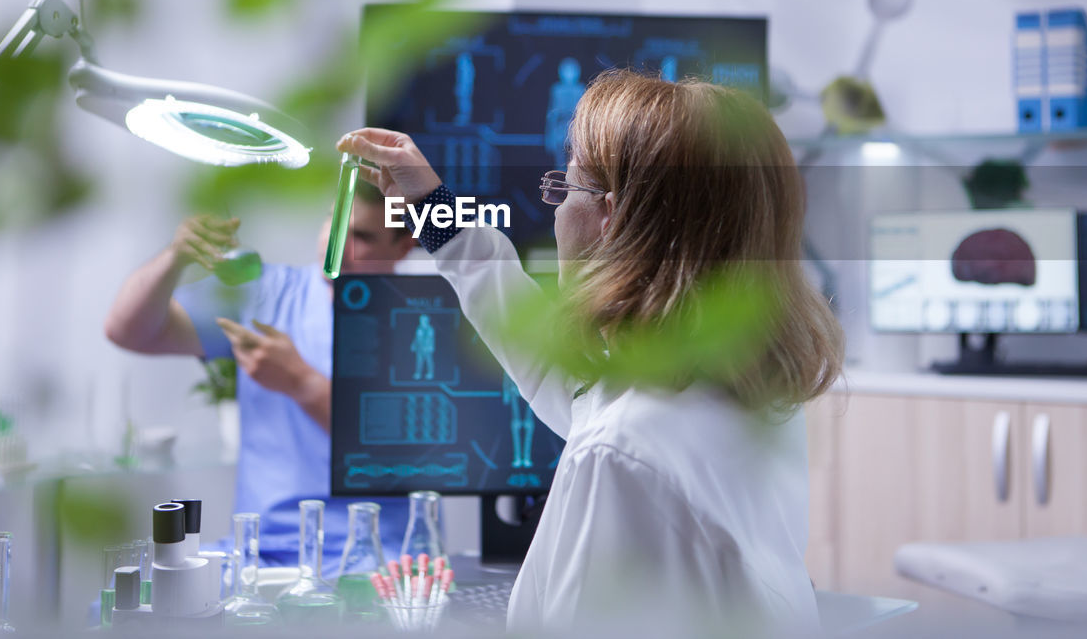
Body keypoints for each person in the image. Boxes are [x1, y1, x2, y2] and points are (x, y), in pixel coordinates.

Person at [337, 69, 844, 632]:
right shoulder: (751, 387)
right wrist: (434, 206)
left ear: (614, 216)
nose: (556, 210)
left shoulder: (619, 453)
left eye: (568, 187)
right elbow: (572, 386)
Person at [103, 181, 418, 569]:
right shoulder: (267, 292)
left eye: (361, 236)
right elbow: (128, 331)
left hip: (370, 555)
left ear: (403, 247)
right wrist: (175, 258)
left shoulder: (420, 322)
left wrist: (302, 383)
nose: (337, 246)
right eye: (334, 225)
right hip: (258, 549)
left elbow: (405, 457)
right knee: (133, 608)